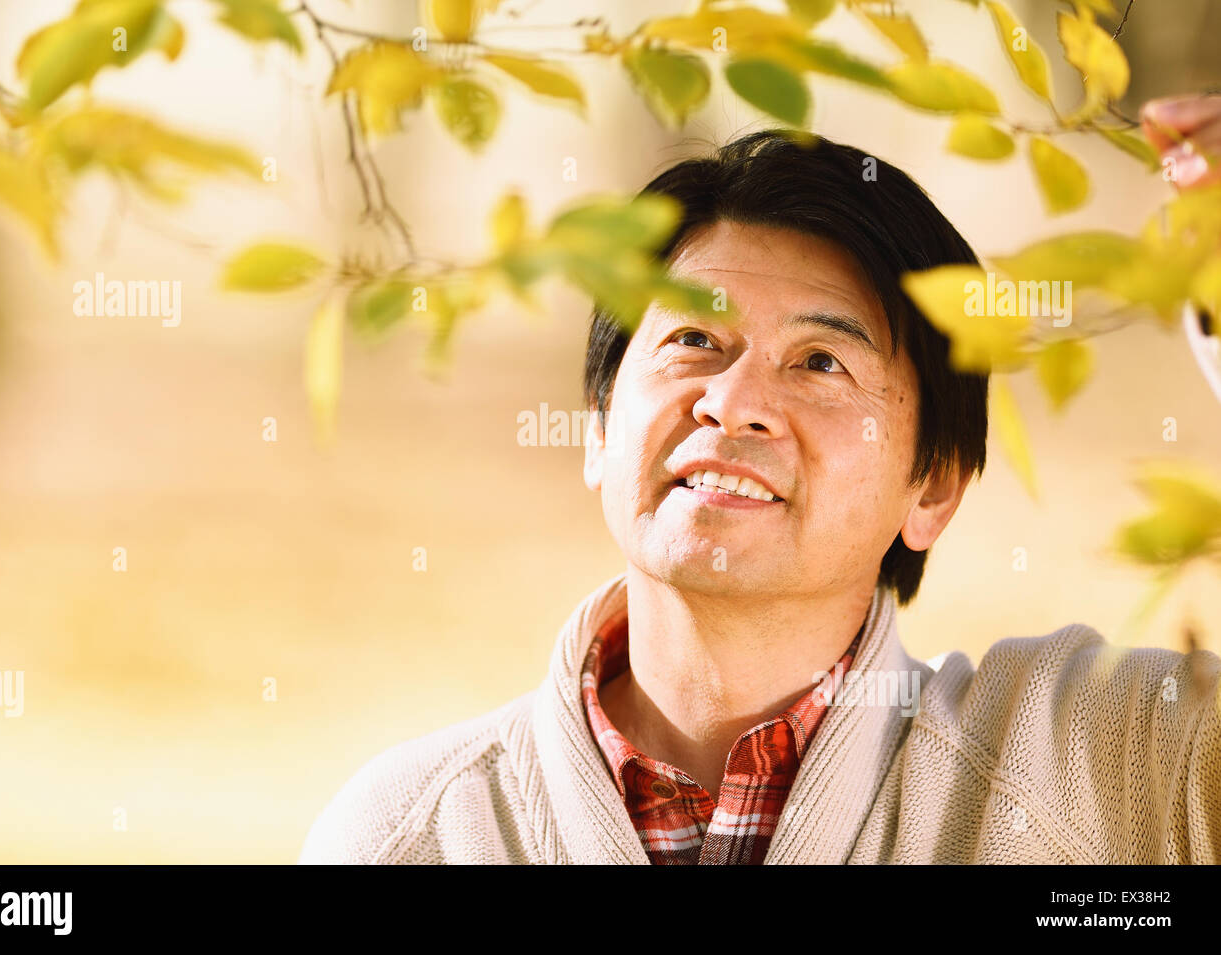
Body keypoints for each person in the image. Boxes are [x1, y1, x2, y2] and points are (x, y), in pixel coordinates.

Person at [298, 94, 1221, 865]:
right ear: (597, 430)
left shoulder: (1106, 767)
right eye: (694, 340)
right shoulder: (410, 835)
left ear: (933, 485)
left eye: (820, 362)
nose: (731, 403)